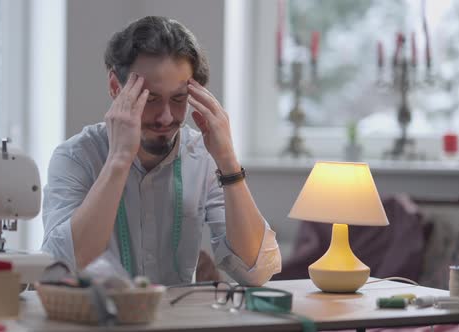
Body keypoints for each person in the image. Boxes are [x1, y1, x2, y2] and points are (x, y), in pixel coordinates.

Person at [41, 16, 281, 286]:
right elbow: (58, 269)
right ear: (114, 87)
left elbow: (257, 271)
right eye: (150, 98)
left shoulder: (203, 158)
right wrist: (119, 160)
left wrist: (228, 160)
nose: (166, 117)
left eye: (179, 99)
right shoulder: (76, 157)